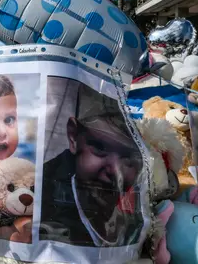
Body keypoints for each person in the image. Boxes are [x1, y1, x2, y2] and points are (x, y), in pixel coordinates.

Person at [40, 83, 144, 247]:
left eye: (129, 158)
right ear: (73, 137)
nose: (114, 170)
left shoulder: (135, 216)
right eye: (100, 148)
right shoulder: (40, 199)